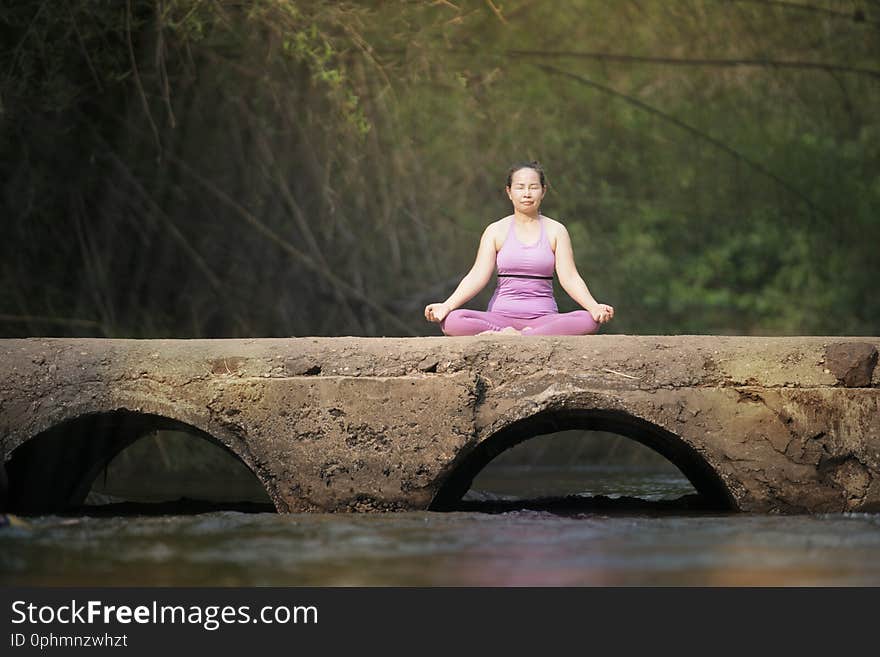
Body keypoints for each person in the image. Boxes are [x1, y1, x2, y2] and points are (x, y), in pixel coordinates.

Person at [424, 161, 614, 336]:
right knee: (453, 321)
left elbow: (570, 277)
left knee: (588, 320)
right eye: (520, 187)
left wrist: (594, 307)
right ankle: (509, 335)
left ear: (543, 191)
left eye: (533, 187)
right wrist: (446, 306)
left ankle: (520, 337)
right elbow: (477, 276)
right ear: (509, 192)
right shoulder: (495, 230)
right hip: (500, 318)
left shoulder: (556, 230)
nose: (527, 194)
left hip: (543, 320)